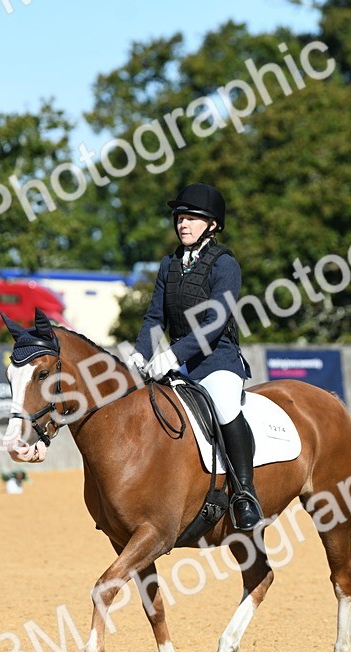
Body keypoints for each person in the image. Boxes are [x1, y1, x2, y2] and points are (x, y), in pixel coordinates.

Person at [131, 183, 263, 531]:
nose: (183, 224)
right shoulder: (169, 264)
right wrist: (140, 353)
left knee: (223, 405)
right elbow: (154, 317)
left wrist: (173, 354)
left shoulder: (226, 265)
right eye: (179, 218)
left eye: (192, 218)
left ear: (213, 225)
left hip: (217, 361)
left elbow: (216, 321)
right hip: (180, 364)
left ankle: (245, 494)